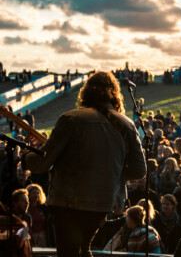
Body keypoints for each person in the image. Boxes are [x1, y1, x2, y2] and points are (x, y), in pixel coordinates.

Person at [22, 71, 146, 257]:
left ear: (85, 92)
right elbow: (139, 169)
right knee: (84, 248)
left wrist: (25, 155)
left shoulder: (71, 119)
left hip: (68, 203)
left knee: (69, 252)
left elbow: (42, 163)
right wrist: (110, 172)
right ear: (114, 93)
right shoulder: (126, 124)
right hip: (104, 203)